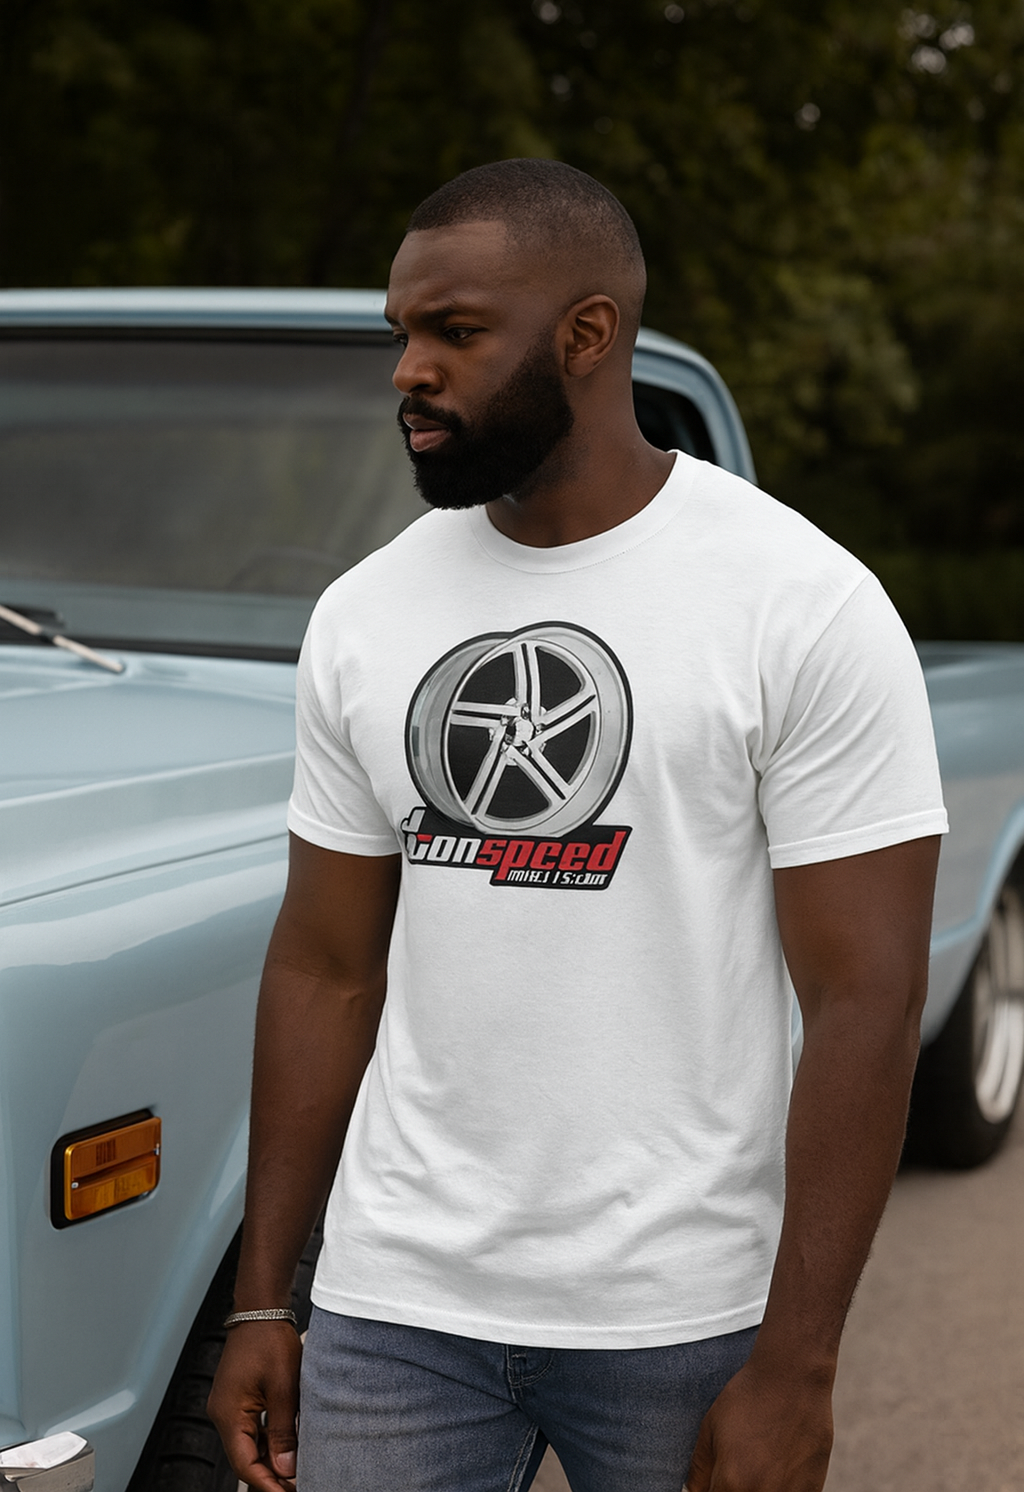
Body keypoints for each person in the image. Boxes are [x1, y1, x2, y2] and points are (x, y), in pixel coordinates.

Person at [208, 158, 947, 1492]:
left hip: (685, 1314)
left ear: (587, 334)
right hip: (395, 1305)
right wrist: (267, 1297)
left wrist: (799, 1366)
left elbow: (867, 998)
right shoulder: (365, 615)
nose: (409, 371)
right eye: (402, 333)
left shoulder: (800, 603)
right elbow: (323, 966)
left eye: (456, 332)